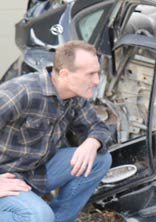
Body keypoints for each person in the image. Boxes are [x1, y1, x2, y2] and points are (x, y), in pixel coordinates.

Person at [0, 41, 112, 222]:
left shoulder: (74, 97)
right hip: (5, 177)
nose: (97, 81)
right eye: (90, 74)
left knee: (99, 159)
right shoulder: (20, 93)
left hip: (35, 171)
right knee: (38, 215)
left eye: (97, 72)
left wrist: (93, 142)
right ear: (65, 74)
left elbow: (99, 128)